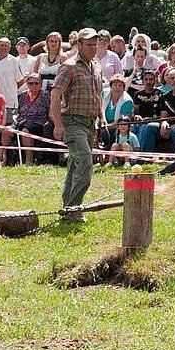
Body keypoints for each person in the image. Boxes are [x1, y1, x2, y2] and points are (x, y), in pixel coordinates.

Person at [50, 28, 103, 222]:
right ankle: (73, 209)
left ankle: (67, 208)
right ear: (79, 45)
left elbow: (98, 95)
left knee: (75, 166)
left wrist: (102, 116)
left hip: (90, 123)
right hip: (72, 122)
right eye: (89, 45)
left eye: (95, 45)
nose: (93, 48)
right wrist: (58, 125)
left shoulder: (96, 66)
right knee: (85, 162)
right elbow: (55, 96)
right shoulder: (69, 66)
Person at [0, 38, 26, 159]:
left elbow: (20, 81)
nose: (3, 47)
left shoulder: (13, 61)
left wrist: (11, 90)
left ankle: (6, 158)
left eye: (6, 45)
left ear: (10, 47)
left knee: (7, 131)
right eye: (1, 45)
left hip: (9, 102)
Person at [14, 73, 51, 165]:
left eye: (36, 83)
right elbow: (18, 110)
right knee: (6, 131)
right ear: (27, 84)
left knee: (25, 131)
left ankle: (28, 161)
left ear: (40, 84)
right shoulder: (22, 95)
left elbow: (49, 111)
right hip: (22, 120)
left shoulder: (46, 95)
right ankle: (4, 159)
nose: (33, 85)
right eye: (31, 83)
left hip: (38, 122)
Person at [131, 70, 164, 153]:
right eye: (146, 79)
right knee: (132, 127)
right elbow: (136, 112)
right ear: (142, 81)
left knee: (146, 128)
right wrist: (137, 117)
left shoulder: (161, 94)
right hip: (141, 121)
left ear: (155, 80)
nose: (148, 82)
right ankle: (129, 155)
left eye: (151, 79)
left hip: (156, 122)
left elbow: (164, 114)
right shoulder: (137, 95)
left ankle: (143, 155)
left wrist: (151, 119)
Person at [101, 74, 134, 147]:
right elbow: (99, 108)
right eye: (115, 85)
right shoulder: (103, 93)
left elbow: (123, 121)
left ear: (123, 88)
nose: (117, 87)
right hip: (103, 125)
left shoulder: (127, 100)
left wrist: (106, 126)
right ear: (111, 86)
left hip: (118, 127)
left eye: (120, 85)